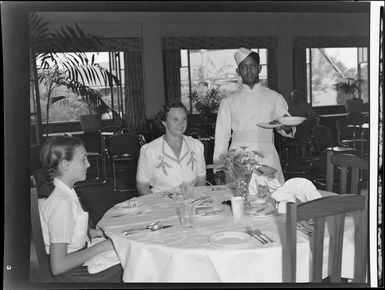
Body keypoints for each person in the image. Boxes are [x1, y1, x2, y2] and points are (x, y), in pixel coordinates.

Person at [37, 135, 123, 282]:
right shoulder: (61, 203)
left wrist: (98, 233)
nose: (88, 164)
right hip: (73, 273)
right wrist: (101, 247)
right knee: (133, 263)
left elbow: (67, 229)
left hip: (77, 259)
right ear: (65, 164)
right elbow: (58, 266)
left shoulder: (61, 190)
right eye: (83, 159)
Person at [213, 47, 295, 185]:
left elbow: (287, 128)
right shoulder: (228, 102)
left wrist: (286, 127)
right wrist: (219, 168)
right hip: (238, 160)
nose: (249, 70)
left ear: (260, 68)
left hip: (267, 157)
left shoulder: (274, 97)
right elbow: (222, 137)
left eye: (252, 66)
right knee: (240, 200)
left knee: (271, 199)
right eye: (244, 67)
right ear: (238, 71)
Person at [136, 102, 207, 195]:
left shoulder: (196, 146)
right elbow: (142, 186)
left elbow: (201, 179)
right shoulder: (150, 150)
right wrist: (158, 206)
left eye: (184, 118)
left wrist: (192, 199)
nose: (181, 123)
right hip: (161, 205)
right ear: (164, 122)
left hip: (191, 202)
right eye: (175, 119)